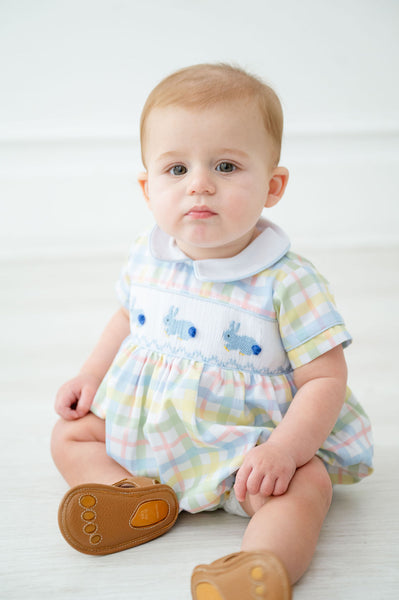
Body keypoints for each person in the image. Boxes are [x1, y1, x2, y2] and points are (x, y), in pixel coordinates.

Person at [51, 63, 373, 600]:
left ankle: (260, 565)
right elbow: (126, 319)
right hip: (149, 434)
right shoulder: (146, 255)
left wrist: (285, 452)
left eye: (225, 166)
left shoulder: (287, 281)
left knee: (307, 484)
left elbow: (324, 379)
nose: (199, 183)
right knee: (70, 434)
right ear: (146, 186)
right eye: (176, 169)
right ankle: (132, 498)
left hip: (246, 452)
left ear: (273, 186)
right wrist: (89, 375)